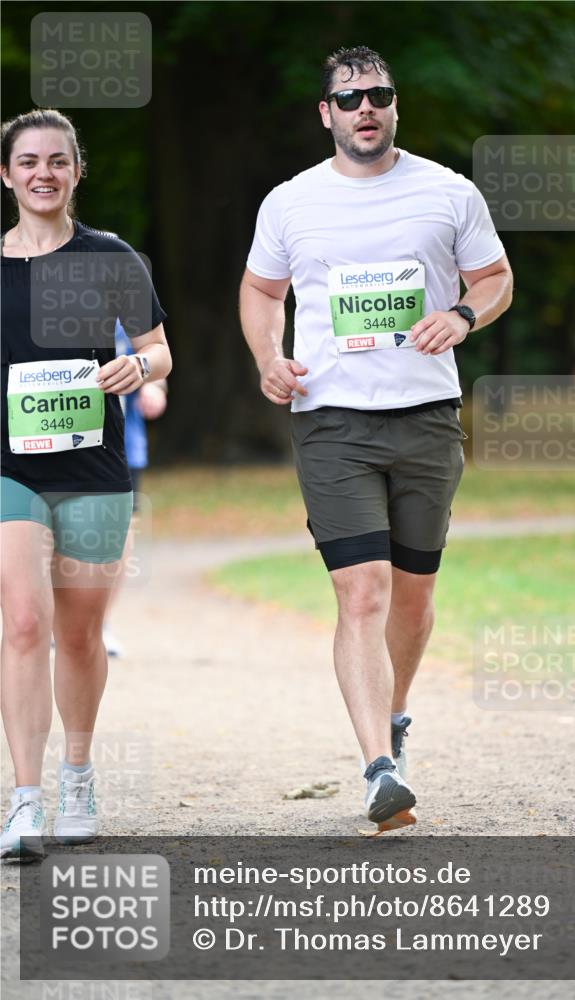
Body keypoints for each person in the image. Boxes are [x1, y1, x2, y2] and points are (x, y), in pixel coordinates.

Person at [240, 47, 512, 830]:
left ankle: (393, 711)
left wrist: (462, 314)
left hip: (425, 415)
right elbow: (261, 290)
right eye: (350, 98)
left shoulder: (447, 192)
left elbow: (494, 279)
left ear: (394, 106)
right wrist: (268, 356)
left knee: (413, 595)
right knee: (361, 591)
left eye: (379, 95)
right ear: (325, 113)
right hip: (331, 422)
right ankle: (378, 768)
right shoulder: (290, 202)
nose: (366, 108)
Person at [0, 109, 172, 859]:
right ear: (6, 175)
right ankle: (24, 800)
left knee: (77, 634)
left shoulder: (112, 258)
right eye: (28, 161)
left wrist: (139, 367)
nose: (43, 173)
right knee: (22, 625)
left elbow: (160, 351)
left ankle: (77, 777)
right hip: (9, 468)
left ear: (75, 172)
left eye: (58, 161)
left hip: (94, 470)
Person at [102, 320, 168, 658]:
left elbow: (153, 352)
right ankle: (54, 619)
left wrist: (156, 388)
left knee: (119, 530)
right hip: (49, 441)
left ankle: (101, 622)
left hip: (121, 442)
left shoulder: (118, 285)